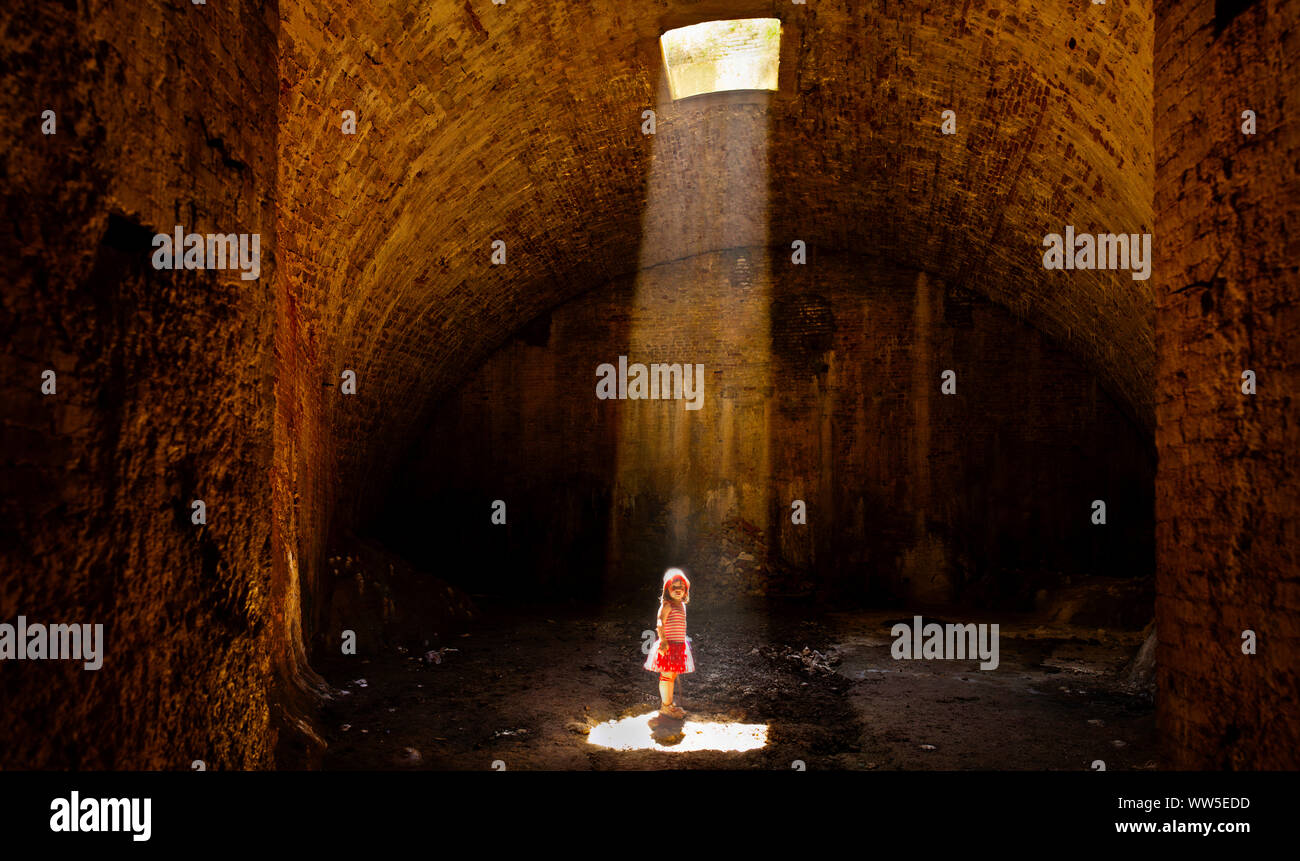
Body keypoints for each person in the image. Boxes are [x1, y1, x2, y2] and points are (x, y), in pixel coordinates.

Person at [644, 568, 694, 718]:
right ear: (667, 590)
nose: (678, 590)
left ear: (686, 591)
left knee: (671, 676)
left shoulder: (681, 605)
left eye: (682, 587)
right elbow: (660, 623)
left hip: (678, 645)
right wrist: (663, 640)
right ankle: (665, 707)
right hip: (668, 645)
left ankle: (669, 704)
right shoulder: (667, 605)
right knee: (666, 676)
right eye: (674, 587)